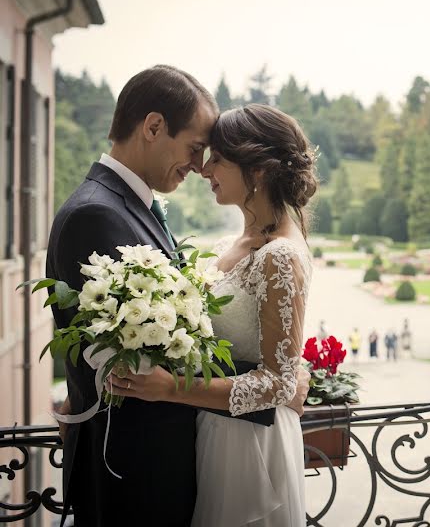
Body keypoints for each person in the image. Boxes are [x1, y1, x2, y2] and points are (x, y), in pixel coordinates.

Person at [45, 65, 268, 526]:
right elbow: (142, 366)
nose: (199, 165)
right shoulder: (96, 215)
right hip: (133, 471)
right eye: (194, 148)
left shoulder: (124, 205)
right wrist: (273, 385)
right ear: (152, 127)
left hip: (146, 466)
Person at [111, 103, 317, 526]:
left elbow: (279, 383)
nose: (204, 170)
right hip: (215, 430)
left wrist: (170, 389)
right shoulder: (233, 243)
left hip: (249, 445)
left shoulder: (279, 254)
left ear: (257, 170)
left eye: (218, 159)